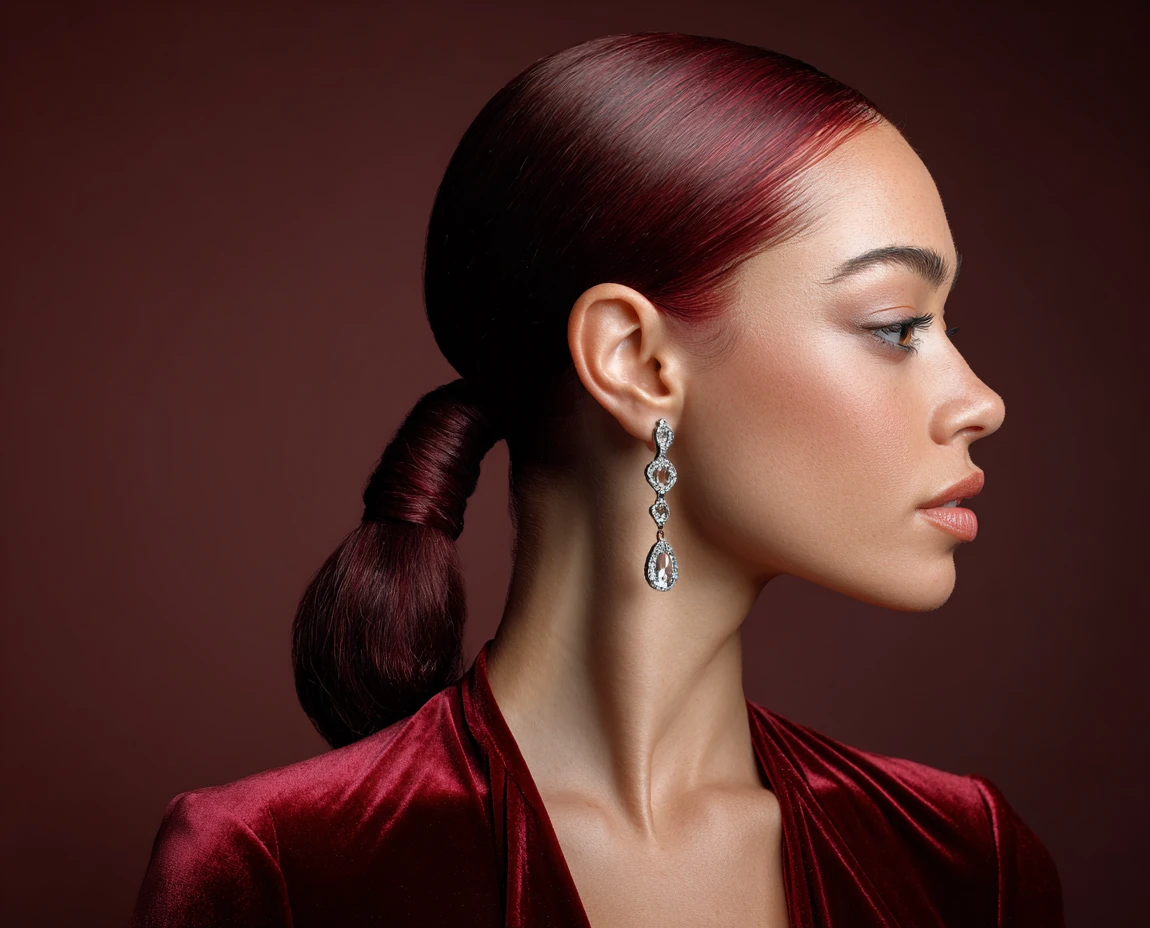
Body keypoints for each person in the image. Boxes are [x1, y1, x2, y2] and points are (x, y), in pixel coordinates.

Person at [129, 31, 1064, 927]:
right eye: (897, 324)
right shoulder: (275, 871)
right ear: (636, 362)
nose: (980, 401)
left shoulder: (962, 861)